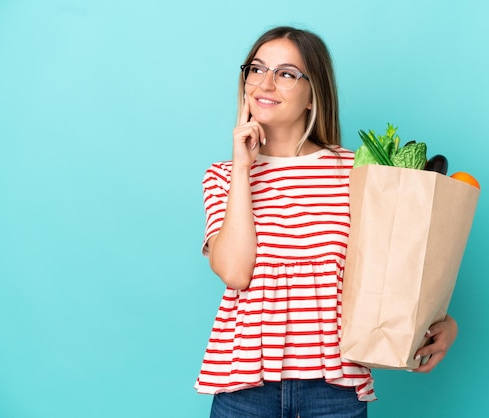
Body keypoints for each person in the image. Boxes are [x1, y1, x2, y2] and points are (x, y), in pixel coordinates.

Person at [195, 26, 459, 418]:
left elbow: (394, 266)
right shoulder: (223, 176)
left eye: (285, 73)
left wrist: (443, 321)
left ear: (312, 92)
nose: (265, 83)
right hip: (244, 388)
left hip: (335, 388)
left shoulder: (356, 170)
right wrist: (242, 167)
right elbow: (234, 271)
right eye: (256, 69)